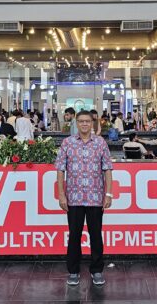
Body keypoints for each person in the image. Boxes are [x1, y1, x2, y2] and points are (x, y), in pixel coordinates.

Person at [55, 111, 113, 287]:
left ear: (92, 123)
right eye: (81, 121)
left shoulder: (100, 143)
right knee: (74, 235)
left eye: (87, 121)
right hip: (74, 198)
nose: (85, 124)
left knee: (96, 235)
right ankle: (73, 271)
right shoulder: (68, 143)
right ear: (76, 123)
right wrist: (61, 194)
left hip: (96, 197)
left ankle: (97, 270)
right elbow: (60, 169)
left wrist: (108, 194)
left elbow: (107, 169)